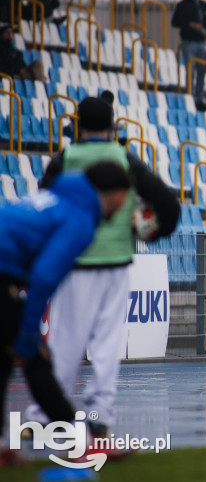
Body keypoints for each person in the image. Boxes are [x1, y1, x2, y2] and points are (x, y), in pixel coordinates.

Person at [29, 96, 180, 442]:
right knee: (107, 348)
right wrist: (154, 232)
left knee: (65, 344)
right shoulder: (123, 159)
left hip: (74, 262)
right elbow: (168, 204)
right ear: (113, 124)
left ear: (78, 123)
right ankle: (98, 417)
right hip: (115, 263)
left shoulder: (64, 160)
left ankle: (41, 417)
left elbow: (43, 203)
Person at [1, 161, 133, 467]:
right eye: (125, 196)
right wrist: (30, 332)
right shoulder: (80, 218)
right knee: (34, 357)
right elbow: (44, 278)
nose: (126, 205)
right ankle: (82, 444)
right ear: (113, 195)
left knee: (4, 361)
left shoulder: (60, 198)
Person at [171, 0, 206, 105]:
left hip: (201, 42)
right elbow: (175, 22)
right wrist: (190, 24)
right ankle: (190, 95)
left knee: (201, 70)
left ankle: (199, 96)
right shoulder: (183, 5)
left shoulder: (203, 6)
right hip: (189, 41)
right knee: (191, 69)